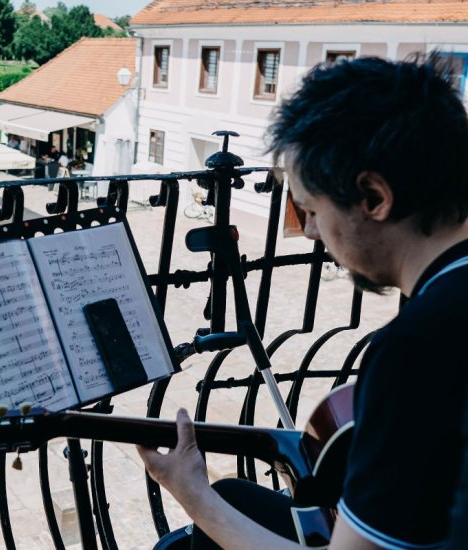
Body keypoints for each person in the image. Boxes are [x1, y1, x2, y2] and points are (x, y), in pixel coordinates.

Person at [138, 55, 468, 549]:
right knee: (242, 499)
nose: (311, 231)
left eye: (311, 209)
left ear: (374, 197)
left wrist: (193, 496)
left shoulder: (419, 347)